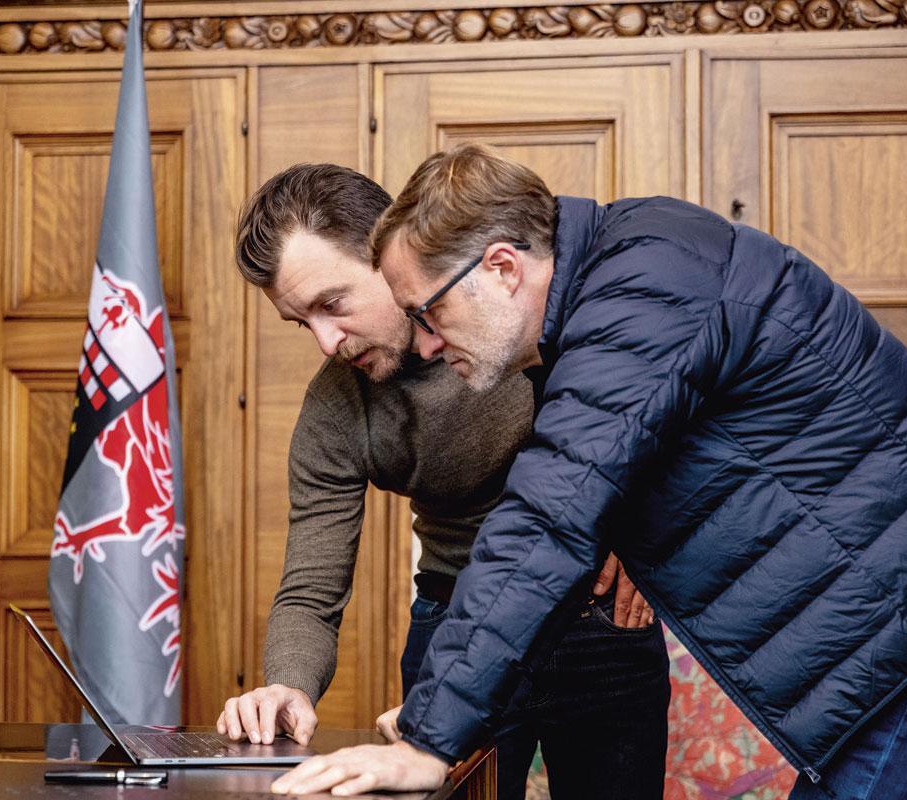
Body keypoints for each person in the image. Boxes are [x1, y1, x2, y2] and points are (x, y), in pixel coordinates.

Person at [271, 145, 907, 799]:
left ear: (502, 268)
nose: (424, 340)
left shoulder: (638, 291)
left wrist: (429, 740)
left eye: (431, 313)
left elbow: (551, 514)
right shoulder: (623, 265)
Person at [219, 163, 672, 800]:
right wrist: (288, 683)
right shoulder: (335, 410)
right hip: (455, 623)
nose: (325, 341)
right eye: (302, 322)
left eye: (332, 304)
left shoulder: (522, 317)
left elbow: (660, 407)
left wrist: (640, 528)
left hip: (594, 616)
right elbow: (310, 590)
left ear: (390, 254)